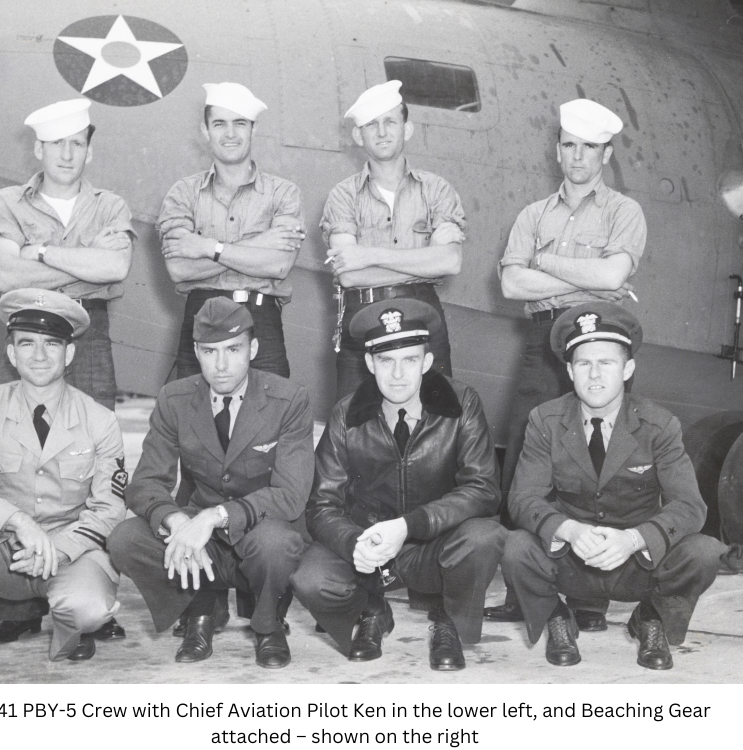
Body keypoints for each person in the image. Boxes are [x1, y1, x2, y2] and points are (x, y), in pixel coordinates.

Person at [488, 98, 646, 630]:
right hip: (542, 340)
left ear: (606, 154)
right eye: (570, 145)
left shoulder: (624, 211)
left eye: (590, 148)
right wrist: (592, 274)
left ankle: (588, 596)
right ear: (558, 150)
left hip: (598, 340)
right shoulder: (533, 214)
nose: (578, 157)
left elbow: (612, 277)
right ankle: (523, 588)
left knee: (596, 463)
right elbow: (513, 283)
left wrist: (546, 263)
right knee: (527, 463)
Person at [501, 303, 725, 670]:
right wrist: (569, 531)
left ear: (627, 369)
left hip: (636, 564)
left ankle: (651, 618)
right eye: (584, 364)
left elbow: (690, 506)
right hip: (572, 561)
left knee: (704, 552)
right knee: (514, 546)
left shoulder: (658, 425)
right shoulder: (545, 420)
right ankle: (557, 617)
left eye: (606, 362)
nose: (594, 375)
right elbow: (523, 498)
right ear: (569, 370)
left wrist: (634, 539)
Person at [0, 289, 127, 677]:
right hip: (6, 553)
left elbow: (109, 509)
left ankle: (71, 626)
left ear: (69, 354)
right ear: (12, 354)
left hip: (71, 552)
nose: (39, 355)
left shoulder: (100, 420)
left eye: (52, 344)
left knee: (89, 609)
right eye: (26, 343)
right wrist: (18, 522)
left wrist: (58, 549)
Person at [291, 299, 505, 671]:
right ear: (370, 363)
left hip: (433, 546)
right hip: (370, 550)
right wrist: (354, 542)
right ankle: (370, 610)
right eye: (386, 361)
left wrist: (409, 525)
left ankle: (449, 621)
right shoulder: (346, 413)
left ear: (426, 362)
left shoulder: (462, 402)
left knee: (484, 537)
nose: (398, 374)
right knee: (310, 579)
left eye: (409, 360)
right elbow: (322, 505)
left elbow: (484, 488)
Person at [108, 298, 313, 669]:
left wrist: (212, 517)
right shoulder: (175, 398)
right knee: (125, 539)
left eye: (233, 350)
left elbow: (291, 495)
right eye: (209, 351)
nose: (220, 365)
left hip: (261, 529)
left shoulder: (288, 399)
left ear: (252, 349)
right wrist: (177, 523)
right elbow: (144, 483)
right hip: (200, 534)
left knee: (275, 542)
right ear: (197, 353)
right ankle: (198, 613)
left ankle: (268, 625)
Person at [0, 98, 136, 411]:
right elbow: (6, 275)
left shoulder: (110, 205)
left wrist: (38, 252)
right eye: (57, 144)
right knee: (21, 442)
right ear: (39, 149)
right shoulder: (8, 202)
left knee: (94, 440)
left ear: (89, 152)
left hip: (90, 334)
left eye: (77, 144)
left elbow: (117, 266)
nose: (67, 155)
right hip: (28, 330)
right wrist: (89, 260)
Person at [322, 80, 466, 401]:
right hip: (361, 317)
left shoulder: (436, 190)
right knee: (355, 431)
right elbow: (349, 273)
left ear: (408, 129)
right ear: (358, 136)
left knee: (435, 426)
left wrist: (370, 254)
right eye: (372, 125)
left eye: (391, 122)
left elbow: (450, 261)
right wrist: (424, 263)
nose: (383, 132)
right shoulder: (343, 196)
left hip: (424, 316)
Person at [158, 82, 305, 379]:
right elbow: (179, 269)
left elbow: (278, 265)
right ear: (205, 130)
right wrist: (260, 243)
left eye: (240, 124)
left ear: (254, 129)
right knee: (194, 419)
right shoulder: (183, 193)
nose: (230, 134)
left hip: (261, 320)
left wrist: (207, 248)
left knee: (268, 418)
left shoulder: (283, 193)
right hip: (201, 317)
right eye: (219, 124)